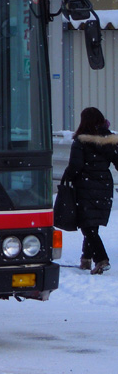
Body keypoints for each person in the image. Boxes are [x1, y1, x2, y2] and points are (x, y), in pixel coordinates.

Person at [63, 107, 118, 275]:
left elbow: (75, 166)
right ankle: (86, 259)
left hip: (86, 186)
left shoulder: (81, 141)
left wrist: (67, 178)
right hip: (104, 186)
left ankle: (101, 260)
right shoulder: (110, 140)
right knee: (91, 223)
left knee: (88, 226)